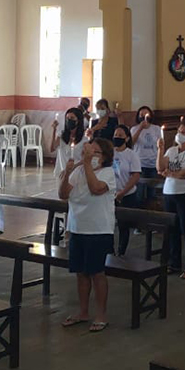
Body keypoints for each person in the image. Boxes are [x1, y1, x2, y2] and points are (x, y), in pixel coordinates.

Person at [58, 139, 116, 332]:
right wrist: (67, 173)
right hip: (77, 228)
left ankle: (101, 314)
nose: (90, 156)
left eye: (95, 153)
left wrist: (87, 165)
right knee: (81, 272)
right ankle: (83, 311)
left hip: (98, 230)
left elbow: (95, 188)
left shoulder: (108, 173)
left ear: (105, 157)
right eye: (88, 152)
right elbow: (63, 194)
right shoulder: (78, 172)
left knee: (97, 272)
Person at [157, 121, 185, 278]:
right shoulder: (171, 150)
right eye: (178, 131)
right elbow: (160, 168)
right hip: (170, 192)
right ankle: (174, 263)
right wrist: (160, 149)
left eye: (183, 132)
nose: (179, 134)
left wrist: (171, 174)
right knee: (172, 229)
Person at [110, 126, 141, 257]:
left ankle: (121, 252)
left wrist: (122, 192)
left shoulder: (131, 154)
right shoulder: (110, 153)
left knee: (123, 225)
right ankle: (109, 251)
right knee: (109, 224)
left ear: (127, 138)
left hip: (126, 194)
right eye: (115, 134)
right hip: (110, 194)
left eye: (120, 135)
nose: (117, 137)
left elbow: (135, 175)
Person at [130, 106, 160, 201]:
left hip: (153, 163)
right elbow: (131, 144)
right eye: (141, 115)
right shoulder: (134, 129)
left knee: (152, 192)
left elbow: (160, 144)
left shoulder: (156, 129)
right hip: (139, 164)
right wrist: (140, 129)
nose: (144, 117)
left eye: (146, 114)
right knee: (139, 192)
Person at [51, 107, 87, 180]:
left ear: (78, 120)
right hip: (61, 172)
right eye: (67, 118)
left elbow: (85, 159)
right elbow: (52, 148)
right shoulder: (61, 135)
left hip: (77, 173)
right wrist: (54, 130)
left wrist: (71, 169)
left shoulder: (84, 138)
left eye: (72, 118)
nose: (69, 120)